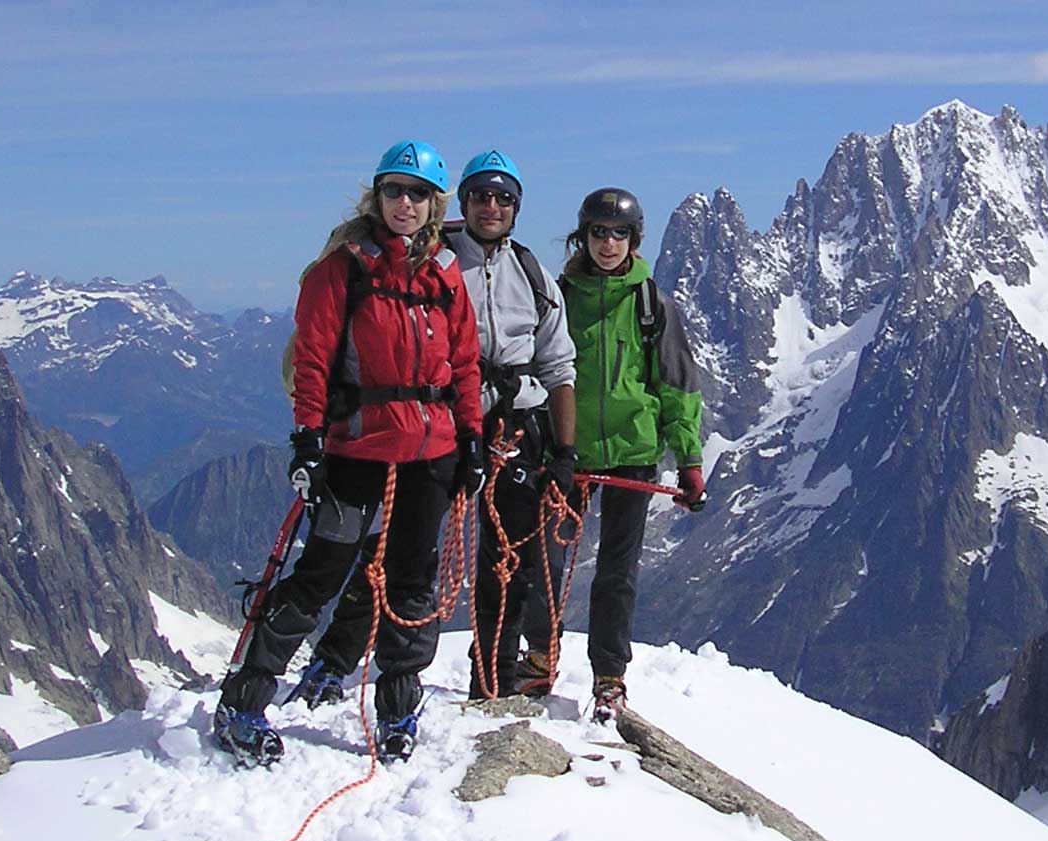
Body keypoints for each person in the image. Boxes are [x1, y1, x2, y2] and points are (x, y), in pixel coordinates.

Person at [213, 139, 485, 767]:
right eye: (395, 190)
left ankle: (397, 704)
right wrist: (307, 437)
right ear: (377, 195)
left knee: (411, 578)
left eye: (418, 194)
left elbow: (464, 362)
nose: (406, 203)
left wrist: (469, 436)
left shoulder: (444, 273)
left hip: (432, 448)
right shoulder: (341, 269)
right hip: (357, 444)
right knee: (324, 571)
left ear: (434, 202)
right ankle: (244, 700)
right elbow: (313, 356)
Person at [293, 150, 577, 705]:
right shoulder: (431, 261)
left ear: (516, 208)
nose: (490, 207)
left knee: (508, 557)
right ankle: (336, 657)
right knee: (400, 548)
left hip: (516, 426)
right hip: (439, 422)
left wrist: (564, 452)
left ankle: (491, 681)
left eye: (502, 198)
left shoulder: (534, 276)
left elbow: (559, 365)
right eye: (479, 196)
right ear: (461, 202)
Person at [518, 187, 705, 721]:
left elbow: (677, 386)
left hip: (632, 451)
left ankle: (609, 675)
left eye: (618, 233)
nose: (608, 243)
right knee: (547, 562)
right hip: (567, 451)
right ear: (584, 237)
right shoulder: (558, 297)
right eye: (598, 232)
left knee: (617, 571)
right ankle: (540, 655)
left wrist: (689, 461)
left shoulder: (652, 304)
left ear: (634, 239)